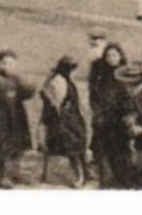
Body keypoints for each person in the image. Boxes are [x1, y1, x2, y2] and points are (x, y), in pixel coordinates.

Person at [0, 49, 36, 189]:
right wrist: (7, 93)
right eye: (4, 63)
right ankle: (2, 176)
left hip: (16, 115)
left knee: (18, 145)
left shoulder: (17, 78)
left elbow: (26, 93)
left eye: (11, 63)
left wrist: (28, 87)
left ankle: (16, 173)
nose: (7, 66)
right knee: (2, 146)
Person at [39, 56, 88, 186]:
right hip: (62, 119)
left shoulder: (68, 80)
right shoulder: (58, 81)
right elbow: (55, 101)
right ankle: (78, 175)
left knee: (76, 145)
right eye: (72, 68)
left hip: (72, 117)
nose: (73, 71)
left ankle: (81, 174)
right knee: (71, 145)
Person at [89, 41, 129, 185]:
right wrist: (97, 114)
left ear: (120, 57)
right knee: (103, 149)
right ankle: (106, 178)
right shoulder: (101, 76)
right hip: (104, 119)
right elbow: (94, 97)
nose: (111, 58)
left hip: (121, 119)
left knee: (121, 149)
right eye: (108, 55)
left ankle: (122, 177)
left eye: (114, 55)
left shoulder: (126, 75)